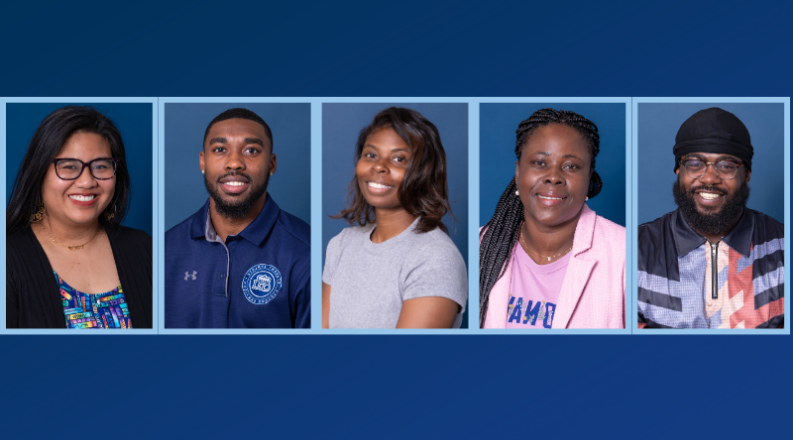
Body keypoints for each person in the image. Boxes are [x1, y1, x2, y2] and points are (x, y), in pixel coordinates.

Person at [6, 106, 152, 329]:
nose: (87, 182)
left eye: (101, 166)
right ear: (39, 172)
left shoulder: (143, 248)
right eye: (69, 166)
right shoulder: (7, 259)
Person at [638, 107, 784, 329]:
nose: (709, 178)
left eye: (726, 166)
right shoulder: (634, 250)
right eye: (695, 164)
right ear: (679, 170)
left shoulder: (783, 249)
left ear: (746, 174)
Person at [322, 107, 467, 329]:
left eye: (399, 158)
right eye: (371, 155)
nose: (379, 166)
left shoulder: (436, 259)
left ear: (424, 172)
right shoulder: (341, 245)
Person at [480, 108, 625, 329]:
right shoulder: (482, 244)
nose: (554, 177)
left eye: (570, 166)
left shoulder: (628, 253)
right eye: (540, 163)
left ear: (589, 177)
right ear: (518, 173)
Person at [165, 108, 310, 328]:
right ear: (202, 162)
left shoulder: (306, 252)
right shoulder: (163, 249)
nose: (234, 163)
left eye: (251, 150)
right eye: (220, 149)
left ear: (272, 164)